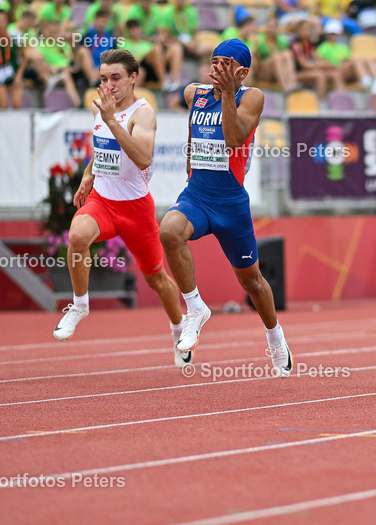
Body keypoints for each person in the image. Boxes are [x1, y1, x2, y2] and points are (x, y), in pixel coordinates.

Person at [158, 39, 293, 375]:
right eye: (213, 60)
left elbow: (234, 140)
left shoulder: (253, 97)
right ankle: (195, 308)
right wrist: (190, 168)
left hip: (231, 204)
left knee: (252, 281)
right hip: (198, 196)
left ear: (241, 71)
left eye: (225, 62)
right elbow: (191, 132)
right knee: (170, 230)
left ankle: (276, 339)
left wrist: (230, 93)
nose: (216, 67)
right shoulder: (194, 93)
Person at [53, 49, 186, 369]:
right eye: (103, 79)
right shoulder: (100, 109)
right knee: (78, 235)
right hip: (103, 200)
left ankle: (180, 329)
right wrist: (88, 174)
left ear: (133, 78)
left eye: (115, 78)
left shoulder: (144, 113)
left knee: (157, 280)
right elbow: (101, 149)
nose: (108, 85)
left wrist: (112, 119)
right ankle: (80, 305)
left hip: (136, 209)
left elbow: (142, 157)